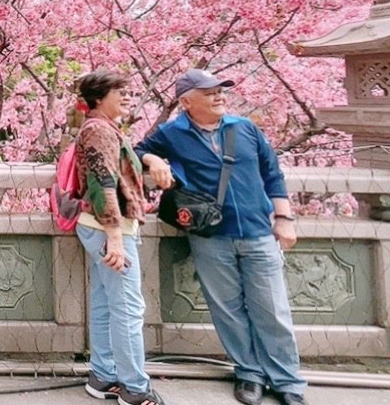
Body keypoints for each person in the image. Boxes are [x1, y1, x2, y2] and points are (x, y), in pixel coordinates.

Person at [135, 69, 306, 405]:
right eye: (209, 91)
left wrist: (283, 219)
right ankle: (249, 373)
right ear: (186, 101)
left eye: (221, 90)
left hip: (258, 231)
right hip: (211, 235)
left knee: (272, 309)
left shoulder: (244, 128)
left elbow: (272, 172)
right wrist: (154, 159)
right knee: (227, 309)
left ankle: (287, 381)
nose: (219, 96)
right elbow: (136, 149)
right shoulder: (173, 133)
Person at [72, 70, 172, 405]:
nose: (128, 97)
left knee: (105, 302)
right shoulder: (100, 131)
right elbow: (103, 184)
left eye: (129, 92)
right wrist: (115, 236)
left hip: (95, 226)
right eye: (120, 92)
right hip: (107, 228)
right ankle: (135, 387)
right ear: (99, 98)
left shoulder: (101, 128)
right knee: (128, 307)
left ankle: (103, 375)